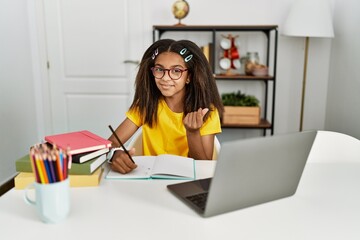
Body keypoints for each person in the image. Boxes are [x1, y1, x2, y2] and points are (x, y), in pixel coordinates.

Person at [108, 39, 224, 174]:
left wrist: (192, 133)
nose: (165, 78)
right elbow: (111, 143)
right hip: (149, 180)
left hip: (186, 181)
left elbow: (203, 165)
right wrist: (115, 154)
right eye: (159, 69)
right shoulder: (146, 105)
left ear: (189, 77)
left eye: (176, 71)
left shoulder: (205, 110)